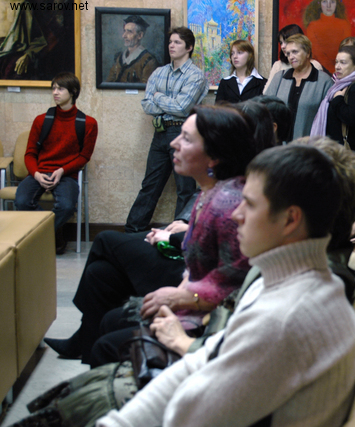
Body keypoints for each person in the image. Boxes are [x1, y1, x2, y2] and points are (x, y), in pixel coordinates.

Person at [95, 144, 355, 427]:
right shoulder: (280, 279)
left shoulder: (286, 317)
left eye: (250, 204)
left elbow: (193, 415)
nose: (236, 214)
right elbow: (206, 358)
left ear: (290, 219)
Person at [45, 106, 255, 365]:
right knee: (101, 274)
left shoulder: (228, 204)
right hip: (195, 298)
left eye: (186, 139)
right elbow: (197, 270)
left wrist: (180, 298)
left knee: (106, 339)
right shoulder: (210, 192)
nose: (174, 143)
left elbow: (234, 287)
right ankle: (88, 350)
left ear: (214, 157)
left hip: (208, 320)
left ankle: (98, 365)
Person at [124, 27, 208, 233]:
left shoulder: (195, 75)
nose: (172, 45)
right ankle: (132, 231)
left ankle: (178, 236)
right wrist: (166, 102)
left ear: (189, 47)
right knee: (150, 185)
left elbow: (182, 108)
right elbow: (147, 105)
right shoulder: (158, 72)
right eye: (170, 42)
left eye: (177, 42)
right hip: (160, 133)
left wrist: (158, 97)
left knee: (185, 189)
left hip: (183, 134)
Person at [15, 72, 98, 254]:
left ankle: (42, 235)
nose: (55, 92)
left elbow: (84, 157)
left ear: (73, 91)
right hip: (39, 171)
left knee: (67, 207)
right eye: (53, 88)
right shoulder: (41, 120)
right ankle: (54, 233)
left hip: (66, 174)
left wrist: (62, 170)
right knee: (21, 201)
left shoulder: (88, 123)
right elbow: (30, 154)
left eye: (60, 89)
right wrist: (37, 174)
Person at [265, 34, 333, 140]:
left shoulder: (324, 81)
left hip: (308, 145)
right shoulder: (280, 77)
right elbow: (266, 108)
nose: (291, 57)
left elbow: (329, 119)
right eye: (288, 53)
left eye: (295, 52)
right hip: (279, 145)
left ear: (308, 53)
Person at [310, 45, 355, 153]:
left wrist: (338, 99)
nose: (337, 67)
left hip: (347, 153)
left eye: (343, 63)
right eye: (336, 62)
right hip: (336, 150)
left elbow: (351, 118)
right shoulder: (339, 85)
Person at [263, 24, 323, 93]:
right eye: (281, 42)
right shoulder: (278, 65)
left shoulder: (314, 65)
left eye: (286, 41)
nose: (282, 46)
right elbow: (266, 94)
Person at [106, 15, 160, 84]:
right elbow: (109, 83)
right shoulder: (119, 57)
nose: (124, 36)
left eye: (129, 32)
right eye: (124, 31)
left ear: (140, 35)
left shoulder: (149, 61)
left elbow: (147, 87)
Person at [303, 0, 351, 73]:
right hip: (320, 71)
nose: (329, 6)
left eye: (332, 2)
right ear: (319, 3)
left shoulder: (345, 24)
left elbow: (347, 50)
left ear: (337, 4)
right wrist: (332, 71)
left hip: (342, 70)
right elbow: (316, 53)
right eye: (325, 1)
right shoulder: (312, 26)